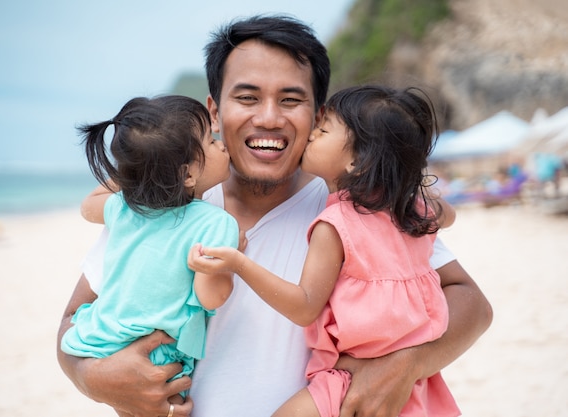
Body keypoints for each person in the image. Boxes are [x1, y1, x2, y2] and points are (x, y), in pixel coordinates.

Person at [57, 15, 493, 417]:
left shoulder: (362, 206)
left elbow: (471, 302)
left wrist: (408, 362)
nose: (268, 118)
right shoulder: (162, 206)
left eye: (290, 100)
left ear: (319, 115)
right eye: (247, 97)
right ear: (213, 111)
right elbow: (73, 321)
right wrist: (92, 378)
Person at [188, 85, 459, 417]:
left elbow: (304, 307)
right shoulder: (410, 210)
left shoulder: (334, 225)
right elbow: (449, 214)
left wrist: (239, 263)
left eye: (324, 128)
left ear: (357, 161)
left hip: (349, 379)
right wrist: (410, 195)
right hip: (419, 384)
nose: (312, 134)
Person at [59, 95, 239, 417]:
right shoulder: (217, 223)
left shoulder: (124, 208)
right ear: (186, 175)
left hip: (99, 337)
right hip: (159, 353)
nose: (221, 145)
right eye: (211, 142)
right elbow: (212, 298)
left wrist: (141, 170)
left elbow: (90, 205)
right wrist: (226, 262)